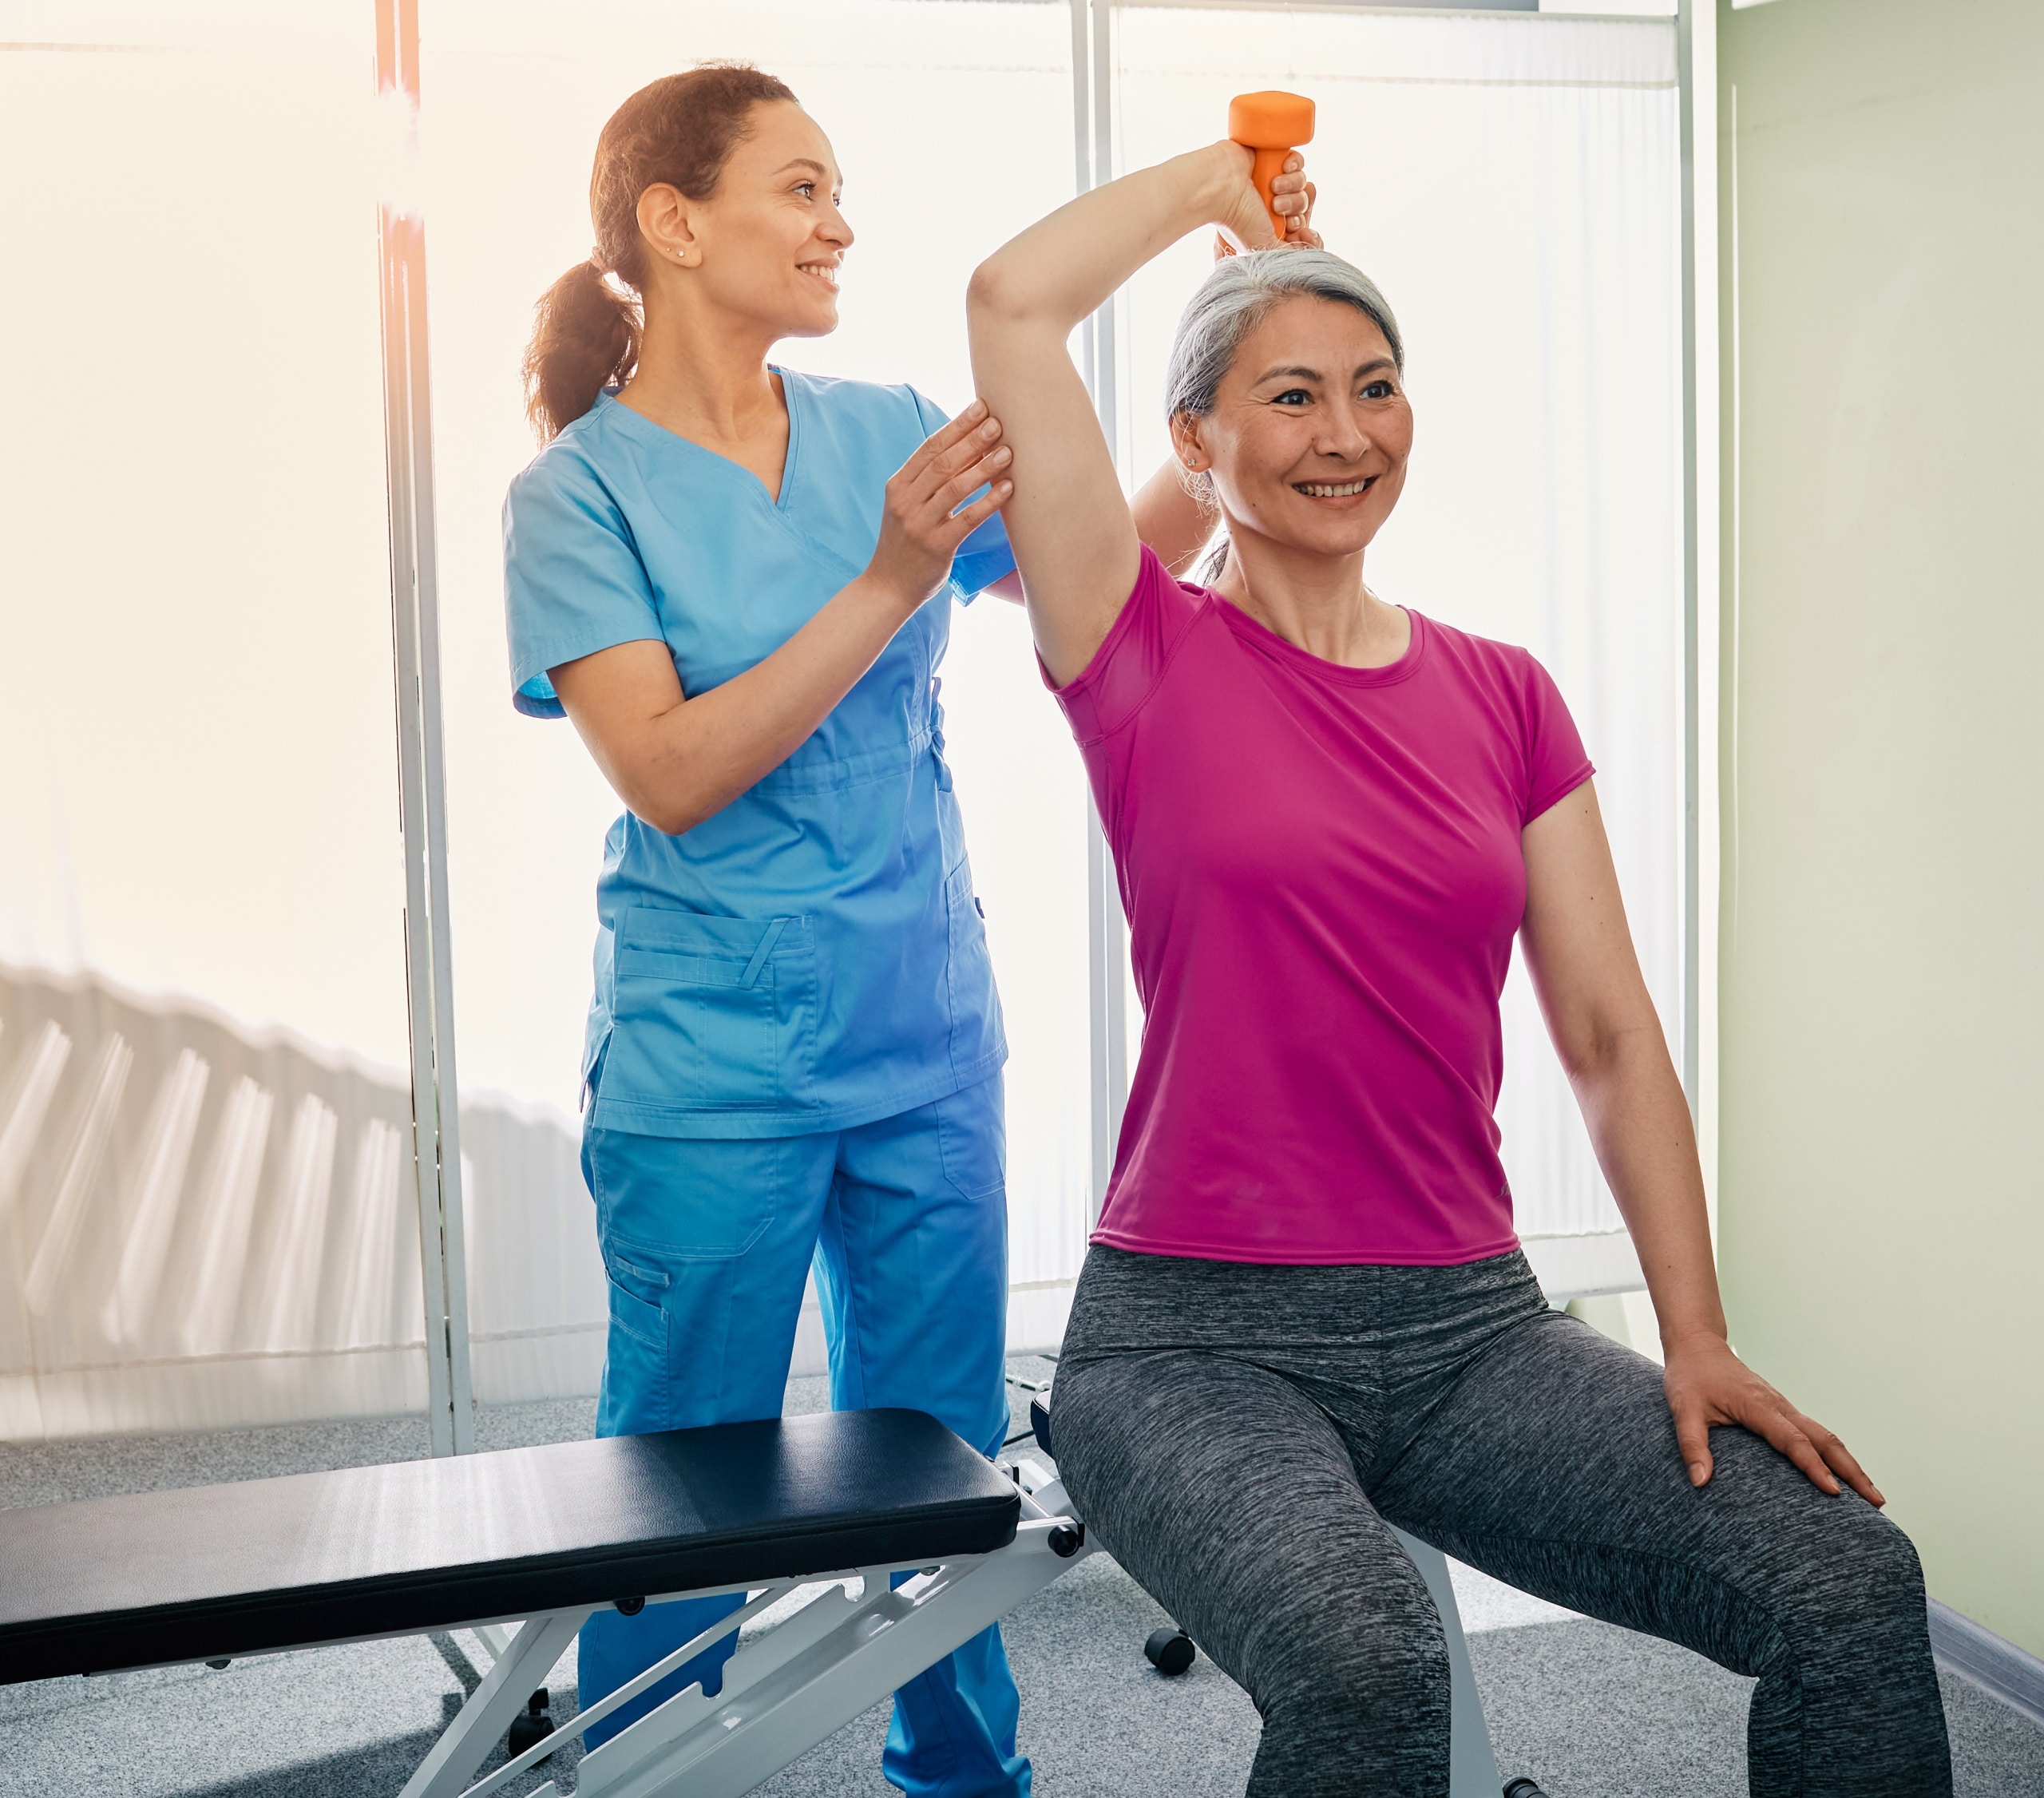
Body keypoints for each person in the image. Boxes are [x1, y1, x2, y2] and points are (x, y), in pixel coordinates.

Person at [965, 141, 1954, 1796]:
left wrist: (1693, 1333)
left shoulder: (1502, 695)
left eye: (1374, 387)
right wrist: (1221, 186)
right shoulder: (1135, 653)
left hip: (1467, 1331)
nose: (1343, 434)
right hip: (1188, 1339)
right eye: (1287, 397)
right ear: (1194, 446)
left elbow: (1604, 1031)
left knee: (1848, 1578)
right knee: (1365, 1660)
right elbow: (1010, 300)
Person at [501, 67, 1312, 1796]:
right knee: (682, 1484)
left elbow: (1101, 565)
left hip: (926, 1041)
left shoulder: (882, 421)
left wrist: (1216, 419)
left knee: (941, 1472)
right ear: (672, 220)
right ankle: (651, 1774)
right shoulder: (577, 499)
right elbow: (668, 772)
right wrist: (884, 578)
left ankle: (958, 1777)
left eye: (838, 190)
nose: (837, 223)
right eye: (798, 189)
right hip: (710, 1068)